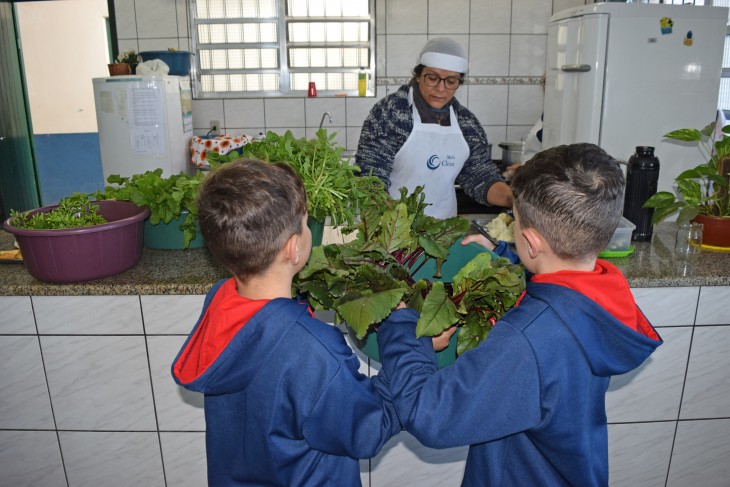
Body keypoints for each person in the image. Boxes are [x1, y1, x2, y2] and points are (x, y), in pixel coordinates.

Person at [376, 143, 663, 486]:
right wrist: (504, 257)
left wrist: (403, 326)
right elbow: (557, 288)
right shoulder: (603, 298)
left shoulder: (525, 341)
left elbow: (432, 415)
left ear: (530, 241)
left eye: (514, 221)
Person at [171, 159, 401, 486]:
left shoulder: (219, 302)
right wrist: (408, 352)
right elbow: (366, 430)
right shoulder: (313, 350)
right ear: (294, 248)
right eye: (306, 224)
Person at [356, 37, 512, 219]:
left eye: (451, 81)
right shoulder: (390, 114)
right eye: (432, 78)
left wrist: (514, 200)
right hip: (388, 229)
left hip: (442, 232)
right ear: (418, 75)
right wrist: (397, 224)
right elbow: (371, 180)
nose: (440, 88)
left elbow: (480, 176)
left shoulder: (466, 123)